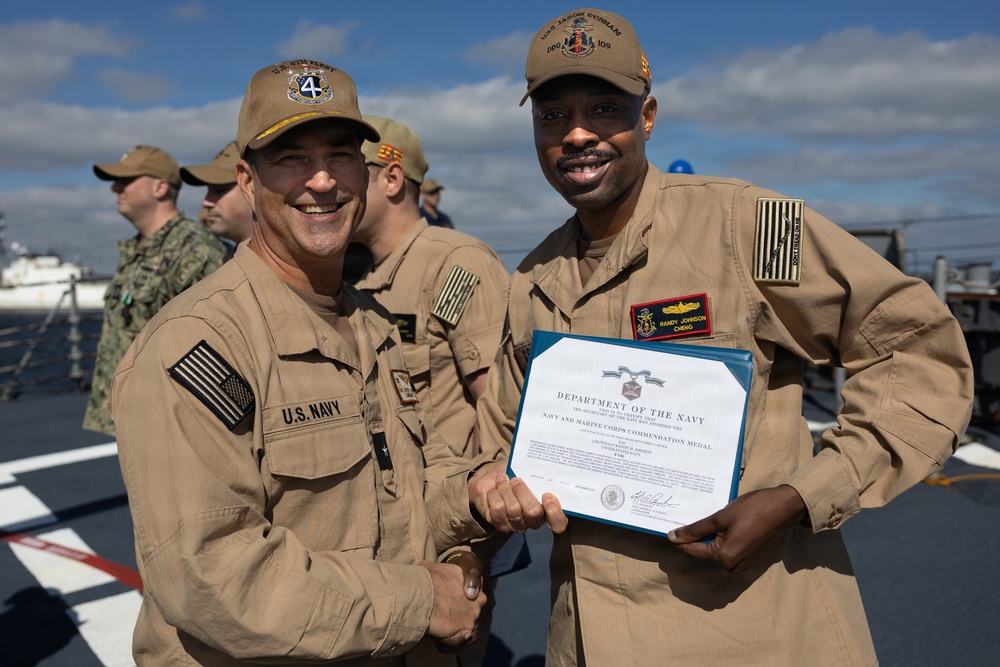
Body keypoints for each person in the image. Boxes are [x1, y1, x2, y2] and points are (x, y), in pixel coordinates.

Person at [468, 8, 974, 666]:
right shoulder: (531, 280)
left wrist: (799, 497)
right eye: (552, 115)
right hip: (587, 635)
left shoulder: (745, 223)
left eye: (604, 108)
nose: (578, 134)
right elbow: (495, 444)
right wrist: (489, 487)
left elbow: (919, 351)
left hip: (749, 629)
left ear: (647, 117)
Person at [110, 59, 490, 666]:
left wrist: (468, 521)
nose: (321, 181)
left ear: (366, 174)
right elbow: (212, 575)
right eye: (291, 158)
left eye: (340, 155)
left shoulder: (371, 324)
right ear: (246, 178)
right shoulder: (199, 344)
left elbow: (403, 491)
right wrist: (421, 599)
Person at [352, 116, 510, 667]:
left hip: (448, 538)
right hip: (390, 540)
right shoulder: (362, 280)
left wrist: (473, 545)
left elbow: (498, 408)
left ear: (391, 179)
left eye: (352, 166)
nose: (332, 182)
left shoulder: (453, 262)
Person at [84, 145, 225, 435]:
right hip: (131, 418)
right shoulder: (138, 251)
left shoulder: (193, 249)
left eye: (126, 181)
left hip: (167, 425)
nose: (115, 188)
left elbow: (213, 346)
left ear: (160, 187)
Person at [181, 141, 254, 253]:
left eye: (220, 190)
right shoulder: (227, 261)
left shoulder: (286, 264)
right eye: (209, 191)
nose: (205, 202)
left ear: (250, 185)